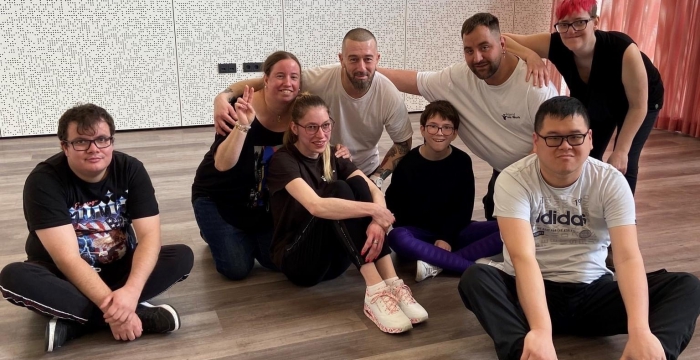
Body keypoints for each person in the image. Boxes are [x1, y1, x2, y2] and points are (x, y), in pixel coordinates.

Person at [458, 96, 700, 360]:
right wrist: (540, 329)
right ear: (536, 141)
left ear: (590, 139)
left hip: (592, 293)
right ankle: (527, 353)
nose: (565, 146)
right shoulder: (513, 179)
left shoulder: (610, 181)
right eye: (553, 138)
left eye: (575, 136)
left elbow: (628, 256)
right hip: (531, 294)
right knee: (476, 278)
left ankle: (650, 355)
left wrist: (640, 330)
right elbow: (522, 257)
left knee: (688, 287)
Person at [0, 104, 194, 352]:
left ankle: (76, 322)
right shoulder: (44, 181)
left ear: (111, 141)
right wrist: (113, 305)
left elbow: (149, 237)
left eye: (102, 139)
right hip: (64, 276)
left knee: (181, 256)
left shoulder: (130, 169)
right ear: (65, 146)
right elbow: (67, 259)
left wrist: (131, 291)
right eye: (81, 141)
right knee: (13, 277)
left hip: (119, 268)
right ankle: (133, 315)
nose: (94, 149)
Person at [266, 93, 428, 334]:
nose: (320, 135)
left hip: (340, 260)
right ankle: (375, 291)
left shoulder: (334, 154)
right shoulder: (283, 160)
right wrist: (374, 211)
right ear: (295, 128)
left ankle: (393, 283)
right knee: (339, 190)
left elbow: (375, 191)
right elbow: (316, 206)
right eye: (311, 127)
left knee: (357, 187)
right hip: (300, 262)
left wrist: (375, 220)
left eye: (325, 126)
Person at [378, 13, 558, 220]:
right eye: (469, 50)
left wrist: (514, 186)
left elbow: (551, 146)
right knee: (496, 238)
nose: (477, 58)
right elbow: (416, 81)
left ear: (502, 44)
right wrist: (365, 69)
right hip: (502, 176)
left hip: (540, 182)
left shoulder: (536, 87)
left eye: (484, 47)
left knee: (530, 244)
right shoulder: (460, 77)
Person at [213, 28, 413, 188]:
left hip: (364, 169)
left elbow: (403, 144)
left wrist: (377, 178)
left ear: (377, 58)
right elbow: (272, 80)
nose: (361, 67)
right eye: (353, 59)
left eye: (368, 59)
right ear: (341, 58)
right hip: (321, 165)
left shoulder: (388, 93)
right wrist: (224, 96)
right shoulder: (318, 79)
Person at [503, 0, 664, 195]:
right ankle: (585, 207)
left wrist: (620, 150)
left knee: (625, 159)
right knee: (586, 151)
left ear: (595, 22)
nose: (571, 30)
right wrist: (530, 55)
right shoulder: (555, 43)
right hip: (597, 98)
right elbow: (500, 39)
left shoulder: (623, 49)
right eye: (563, 24)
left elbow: (638, 106)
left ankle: (625, 220)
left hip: (640, 103)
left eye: (579, 22)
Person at [191, 51, 302, 280]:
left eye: (294, 77)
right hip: (219, 197)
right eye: (280, 75)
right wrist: (243, 125)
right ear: (266, 79)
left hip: (261, 203)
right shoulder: (239, 106)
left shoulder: (300, 113)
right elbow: (222, 164)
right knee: (236, 268)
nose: (287, 83)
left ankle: (240, 237)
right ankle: (212, 231)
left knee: (277, 261)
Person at [385, 101, 502, 282]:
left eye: (447, 128)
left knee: (507, 228)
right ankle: (473, 267)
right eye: (433, 127)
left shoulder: (462, 161)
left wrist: (445, 237)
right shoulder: (407, 164)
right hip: (419, 236)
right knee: (396, 236)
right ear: (422, 129)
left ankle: (434, 264)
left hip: (454, 232)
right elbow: (394, 204)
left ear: (454, 134)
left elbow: (463, 209)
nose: (439, 133)